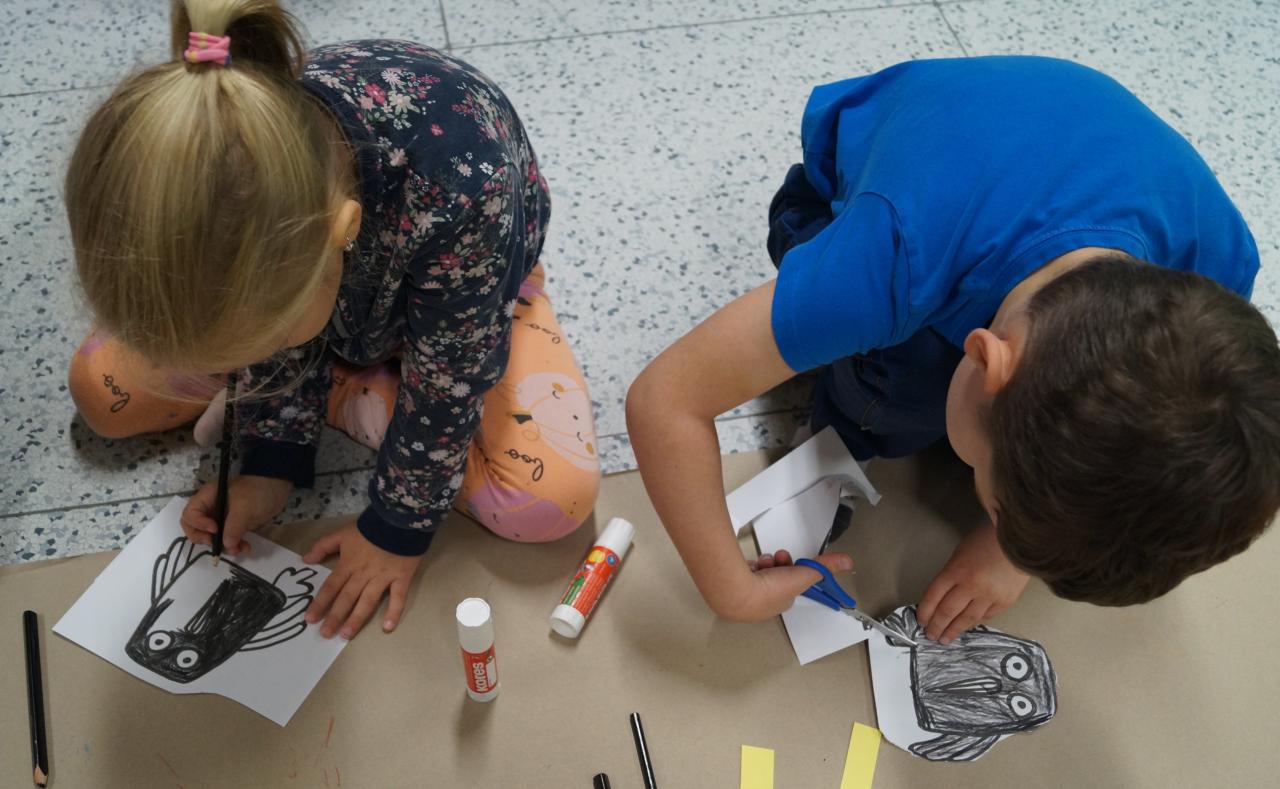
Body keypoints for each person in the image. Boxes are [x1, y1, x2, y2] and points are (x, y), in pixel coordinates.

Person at [627, 56, 1280, 644]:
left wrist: (1009, 548)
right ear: (986, 358)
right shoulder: (894, 259)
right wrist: (729, 587)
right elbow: (665, 401)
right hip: (865, 181)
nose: (997, 518)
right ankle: (849, 421)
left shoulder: (1219, 276)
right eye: (994, 505)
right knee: (899, 388)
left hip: (1033, 151)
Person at [66, 0, 600, 640]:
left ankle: (347, 385)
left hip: (469, 300)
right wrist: (270, 461)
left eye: (242, 352)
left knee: (550, 502)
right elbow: (268, 318)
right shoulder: (243, 172)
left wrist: (396, 530)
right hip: (307, 291)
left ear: (342, 231)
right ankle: (331, 383)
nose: (233, 368)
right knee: (103, 392)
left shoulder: (464, 191)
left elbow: (447, 386)